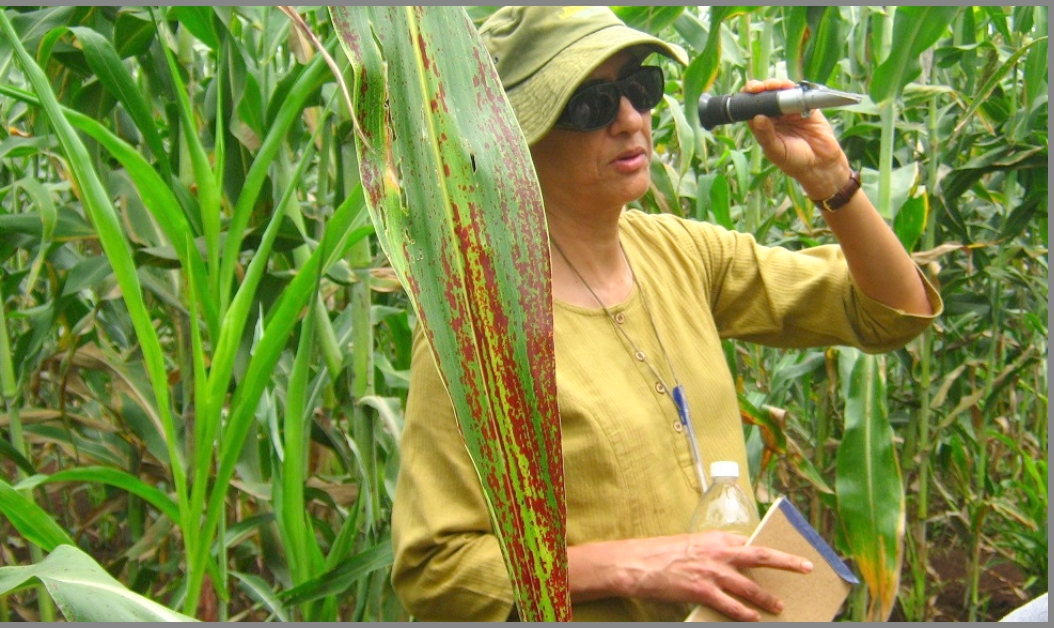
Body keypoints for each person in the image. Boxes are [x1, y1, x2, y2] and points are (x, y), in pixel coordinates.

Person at [390, 6, 942, 622]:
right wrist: (639, 564)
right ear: (514, 138)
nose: (630, 119)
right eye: (590, 106)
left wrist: (833, 181)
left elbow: (892, 311)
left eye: (639, 88)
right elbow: (436, 570)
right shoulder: (480, 326)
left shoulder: (681, 252)